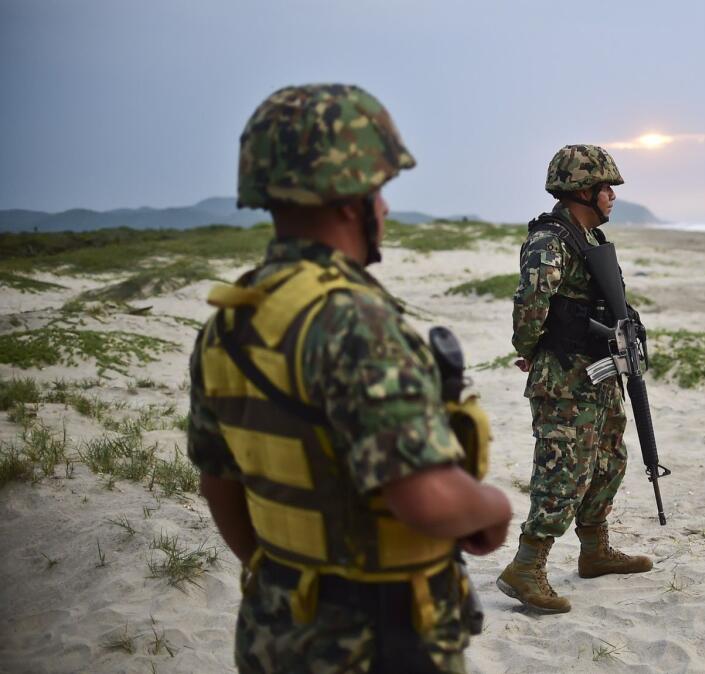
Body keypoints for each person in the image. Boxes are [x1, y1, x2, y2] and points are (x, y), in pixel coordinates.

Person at [187, 83, 512, 673]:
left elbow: (220, 487)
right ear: (349, 199)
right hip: (378, 639)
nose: (384, 208)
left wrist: (291, 575)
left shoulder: (230, 322)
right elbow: (427, 500)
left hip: (275, 629)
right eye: (380, 191)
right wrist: (490, 507)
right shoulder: (353, 322)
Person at [496, 144, 653, 614]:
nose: (612, 196)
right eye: (606, 188)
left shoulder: (590, 241)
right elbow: (531, 303)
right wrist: (529, 350)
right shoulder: (550, 240)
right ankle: (526, 566)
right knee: (563, 470)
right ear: (582, 190)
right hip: (564, 377)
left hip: (597, 373)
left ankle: (595, 550)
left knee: (608, 462)